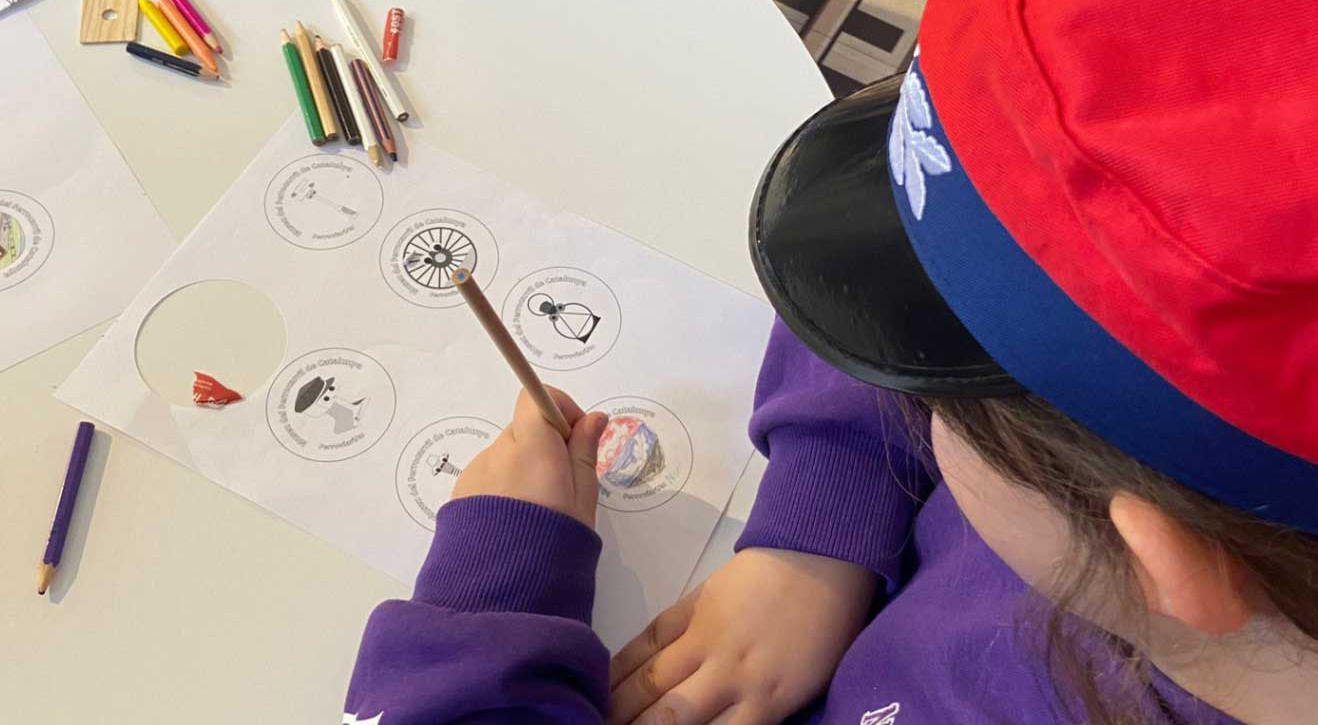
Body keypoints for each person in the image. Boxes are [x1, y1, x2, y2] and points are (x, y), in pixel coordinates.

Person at [341, 0, 1318, 722]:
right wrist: (815, 535)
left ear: (1164, 560)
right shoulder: (1179, 490)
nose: (916, 399)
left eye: (939, 380)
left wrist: (489, 586)